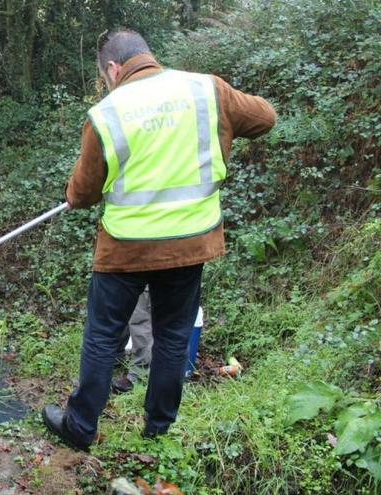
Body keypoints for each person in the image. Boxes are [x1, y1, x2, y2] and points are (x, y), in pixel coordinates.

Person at [42, 29, 276, 451]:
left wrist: (71, 192)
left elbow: (82, 193)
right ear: (147, 56)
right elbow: (264, 118)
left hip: (124, 247)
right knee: (172, 334)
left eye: (105, 75)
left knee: (102, 335)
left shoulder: (107, 113)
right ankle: (158, 428)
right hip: (188, 243)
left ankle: (80, 428)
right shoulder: (207, 90)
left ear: (113, 68)